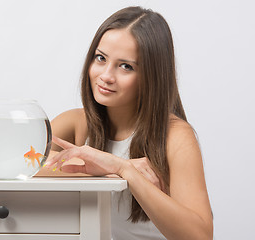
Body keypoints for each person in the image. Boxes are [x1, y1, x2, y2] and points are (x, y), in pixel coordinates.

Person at [43, 6, 213, 240]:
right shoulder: (76, 123)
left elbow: (200, 236)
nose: (106, 75)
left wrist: (124, 170)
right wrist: (105, 169)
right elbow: (19, 167)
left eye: (126, 66)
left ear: (151, 76)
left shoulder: (175, 136)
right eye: (100, 58)